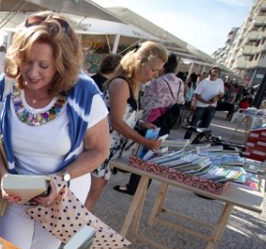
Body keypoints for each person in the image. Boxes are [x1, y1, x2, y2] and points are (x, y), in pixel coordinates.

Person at [0, 11, 110, 249]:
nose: (31, 73)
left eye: (43, 65)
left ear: (61, 65)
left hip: (62, 195)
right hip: (18, 191)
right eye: (26, 61)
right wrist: (3, 176)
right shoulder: (8, 83)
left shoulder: (84, 91)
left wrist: (62, 178)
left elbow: (100, 150)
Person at [86, 41, 167, 210]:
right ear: (140, 63)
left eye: (158, 71)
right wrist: (145, 141)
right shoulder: (122, 84)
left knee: (92, 196)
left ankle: (74, 230)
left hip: (108, 151)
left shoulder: (133, 85)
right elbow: (116, 122)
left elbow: (123, 116)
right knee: (88, 198)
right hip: (98, 148)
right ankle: (71, 232)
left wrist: (142, 123)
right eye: (154, 70)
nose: (155, 75)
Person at [114, 53, 184, 196]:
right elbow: (182, 100)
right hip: (168, 119)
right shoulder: (180, 82)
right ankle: (143, 186)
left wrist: (140, 121)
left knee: (142, 152)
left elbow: (146, 103)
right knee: (152, 154)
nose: (155, 73)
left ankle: (133, 186)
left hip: (153, 119)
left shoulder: (158, 82)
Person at [183, 67, 225, 139]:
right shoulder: (203, 82)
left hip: (212, 107)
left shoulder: (220, 81)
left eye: (218, 71)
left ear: (219, 74)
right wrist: (205, 101)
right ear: (210, 72)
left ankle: (197, 142)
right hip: (201, 106)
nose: (216, 72)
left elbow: (221, 93)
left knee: (205, 127)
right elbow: (196, 94)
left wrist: (216, 98)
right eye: (214, 71)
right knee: (193, 124)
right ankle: (185, 140)